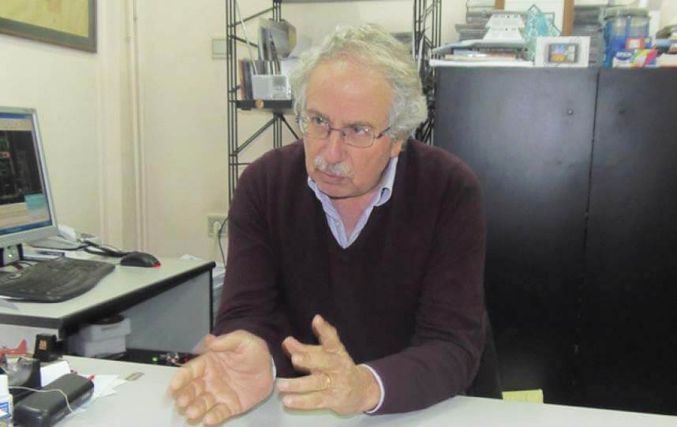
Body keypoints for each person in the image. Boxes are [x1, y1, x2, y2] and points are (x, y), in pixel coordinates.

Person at [169, 23, 488, 425]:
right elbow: (247, 311)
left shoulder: (448, 189)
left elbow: (452, 344)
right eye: (318, 121)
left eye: (358, 130)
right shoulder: (264, 184)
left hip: (422, 411)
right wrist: (256, 354)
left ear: (398, 138)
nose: (330, 153)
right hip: (301, 411)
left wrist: (365, 386)